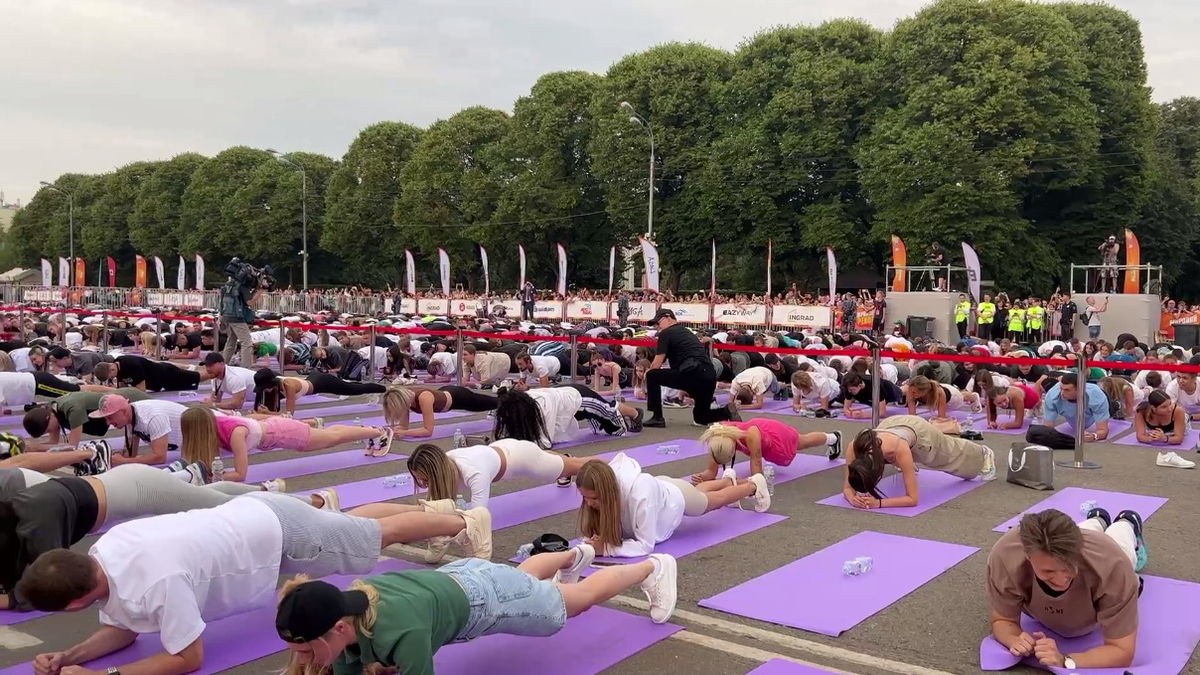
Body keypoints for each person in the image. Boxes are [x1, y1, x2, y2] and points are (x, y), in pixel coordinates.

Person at [18, 494, 493, 675]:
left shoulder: (157, 580)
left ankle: (463, 522)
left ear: (78, 597)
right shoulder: (103, 556)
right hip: (255, 522)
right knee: (348, 528)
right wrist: (69, 657)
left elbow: (189, 657)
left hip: (279, 532)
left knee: (373, 537)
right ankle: (434, 512)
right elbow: (122, 627)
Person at [273, 546, 678, 675]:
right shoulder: (349, 605)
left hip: (487, 600)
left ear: (339, 628)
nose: (302, 658)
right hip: (467, 577)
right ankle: (573, 553)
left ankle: (652, 567)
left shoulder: (402, 635)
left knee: (573, 604)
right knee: (519, 581)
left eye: (307, 649)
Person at [0, 463, 327, 611]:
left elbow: (42, 587)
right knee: (210, 499)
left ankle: (311, 504)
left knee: (226, 505)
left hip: (138, 490)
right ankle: (257, 489)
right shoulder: (19, 518)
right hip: (124, 491)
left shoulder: (36, 521)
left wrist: (9, 601)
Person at [986, 508, 1145, 670]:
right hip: (1077, 545)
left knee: (1121, 545)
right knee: (1074, 538)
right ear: (1027, 555)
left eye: (1068, 568)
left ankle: (1127, 522)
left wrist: (1065, 660)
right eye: (1048, 571)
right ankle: (1097, 519)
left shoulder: (1112, 566)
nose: (1060, 580)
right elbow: (1003, 620)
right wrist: (1014, 638)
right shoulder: (1006, 555)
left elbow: (1122, 651)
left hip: (1106, 552)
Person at [406, 441, 594, 558]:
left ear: (436, 474)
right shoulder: (443, 463)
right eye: (420, 480)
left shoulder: (474, 472)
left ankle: (614, 466)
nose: (424, 485)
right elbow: (432, 507)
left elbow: (478, 518)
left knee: (576, 466)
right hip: (503, 448)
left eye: (425, 480)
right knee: (562, 463)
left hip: (521, 457)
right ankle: (560, 460)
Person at [575, 452, 770, 558]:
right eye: (585, 498)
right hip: (661, 488)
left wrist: (607, 550)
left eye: (594, 498)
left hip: (675, 497)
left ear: (608, 491)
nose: (589, 504)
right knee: (699, 492)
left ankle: (753, 485)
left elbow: (645, 545)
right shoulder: (603, 490)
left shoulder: (640, 496)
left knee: (712, 503)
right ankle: (727, 481)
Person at [179, 406, 395, 479]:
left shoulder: (234, 433)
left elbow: (240, 474)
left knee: (331, 439)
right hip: (276, 429)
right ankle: (370, 431)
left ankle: (377, 432)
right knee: (330, 435)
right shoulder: (215, 423)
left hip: (284, 433)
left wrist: (213, 476)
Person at [841, 416, 996, 510]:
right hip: (890, 425)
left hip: (920, 433)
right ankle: (906, 463)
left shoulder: (897, 449)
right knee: (902, 459)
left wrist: (879, 503)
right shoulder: (853, 447)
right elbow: (847, 488)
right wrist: (852, 498)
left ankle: (982, 453)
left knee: (951, 456)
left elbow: (912, 499)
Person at [643, 309, 736, 428]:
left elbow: (657, 364)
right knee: (701, 417)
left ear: (668, 318)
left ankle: (657, 417)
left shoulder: (666, 333)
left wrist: (646, 374)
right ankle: (726, 412)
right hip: (708, 374)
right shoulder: (686, 332)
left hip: (692, 372)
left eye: (658, 322)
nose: (657, 327)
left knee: (652, 375)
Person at [692, 418, 841, 484]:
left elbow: (757, 474)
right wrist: (702, 477)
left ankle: (833, 438)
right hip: (758, 428)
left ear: (733, 448)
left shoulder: (751, 437)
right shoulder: (716, 438)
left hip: (774, 436)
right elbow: (711, 471)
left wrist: (735, 484)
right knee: (803, 440)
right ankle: (832, 438)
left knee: (802, 442)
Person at [493, 385, 641, 448]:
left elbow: (545, 442)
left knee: (608, 412)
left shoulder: (543, 405)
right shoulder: (521, 401)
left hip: (580, 398)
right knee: (604, 416)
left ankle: (635, 413)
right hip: (565, 400)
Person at [22, 387, 149, 448]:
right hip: (119, 401)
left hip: (132, 399)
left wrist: (37, 447)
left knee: (152, 431)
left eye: (48, 430)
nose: (51, 432)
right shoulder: (53, 409)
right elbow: (53, 443)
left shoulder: (72, 409)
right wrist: (28, 446)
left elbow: (72, 446)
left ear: (49, 418)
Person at [1025, 373, 1111, 450]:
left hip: (1096, 405)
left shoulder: (1096, 396)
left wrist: (1094, 436)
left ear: (1079, 390)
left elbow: (1103, 430)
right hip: (1074, 414)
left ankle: (1117, 405)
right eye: (1061, 388)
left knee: (1113, 408)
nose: (1062, 393)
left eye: (1067, 390)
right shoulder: (1052, 396)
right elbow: (1048, 426)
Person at [380, 384, 498, 439]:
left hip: (460, 397)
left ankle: (509, 398)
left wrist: (405, 433)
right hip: (446, 392)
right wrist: (391, 431)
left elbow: (428, 431)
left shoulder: (423, 398)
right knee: (489, 403)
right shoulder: (405, 397)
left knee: (494, 403)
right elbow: (403, 426)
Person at [252, 369, 386, 416]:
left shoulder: (288, 385)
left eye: (265, 387)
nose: (265, 390)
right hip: (312, 380)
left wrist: (267, 413)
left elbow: (289, 415)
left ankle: (383, 389)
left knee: (353, 389)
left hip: (323, 383)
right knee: (350, 386)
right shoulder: (272, 381)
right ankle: (357, 385)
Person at [1131, 389, 1195, 469]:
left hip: (1180, 422)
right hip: (1158, 429)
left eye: (1170, 404)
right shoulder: (1141, 411)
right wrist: (1150, 439)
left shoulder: (1177, 411)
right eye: (1164, 407)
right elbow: (1140, 436)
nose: (1169, 408)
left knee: (1183, 420)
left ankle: (1189, 416)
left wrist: (1164, 438)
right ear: (1153, 408)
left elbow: (1179, 439)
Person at [0, 371, 110, 413]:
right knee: (74, 389)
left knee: (76, 390)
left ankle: (115, 392)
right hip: (35, 380)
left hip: (37, 382)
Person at [92, 355, 207, 392]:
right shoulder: (118, 367)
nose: (114, 378)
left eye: (112, 377)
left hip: (167, 374)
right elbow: (124, 389)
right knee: (188, 384)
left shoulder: (132, 365)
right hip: (160, 383)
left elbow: (141, 390)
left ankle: (216, 372)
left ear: (111, 369)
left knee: (197, 377)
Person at [219, 268, 260, 367]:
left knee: (231, 341)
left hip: (227, 316)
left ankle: (223, 364)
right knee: (247, 342)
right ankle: (246, 368)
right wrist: (259, 292)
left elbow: (221, 303)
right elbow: (249, 302)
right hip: (237, 317)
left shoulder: (227, 285)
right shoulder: (242, 287)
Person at [835, 371, 903, 420]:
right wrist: (848, 413)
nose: (849, 392)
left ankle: (906, 387)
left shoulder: (876, 386)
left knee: (901, 392)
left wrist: (863, 415)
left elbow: (882, 413)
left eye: (852, 390)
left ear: (860, 386)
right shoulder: (848, 387)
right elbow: (846, 408)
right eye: (848, 390)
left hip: (889, 391)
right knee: (874, 405)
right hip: (869, 396)